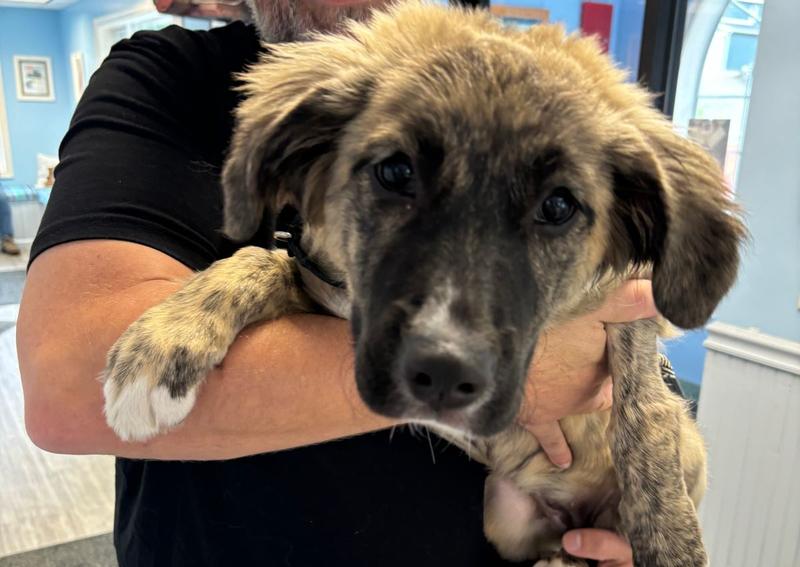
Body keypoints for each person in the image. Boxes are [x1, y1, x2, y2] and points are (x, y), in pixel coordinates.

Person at [17, 1, 647, 565]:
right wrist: (533, 370)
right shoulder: (167, 80)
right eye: (395, 174)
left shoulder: (551, 103)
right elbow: (69, 386)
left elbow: (626, 349)